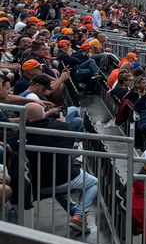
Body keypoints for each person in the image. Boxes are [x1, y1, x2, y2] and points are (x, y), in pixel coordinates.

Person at [22, 101, 98, 236]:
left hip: (34, 184)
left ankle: (76, 215)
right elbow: (69, 133)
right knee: (93, 183)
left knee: (59, 189)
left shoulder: (20, 135)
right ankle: (79, 216)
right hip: (61, 179)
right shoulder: (63, 128)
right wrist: (62, 122)